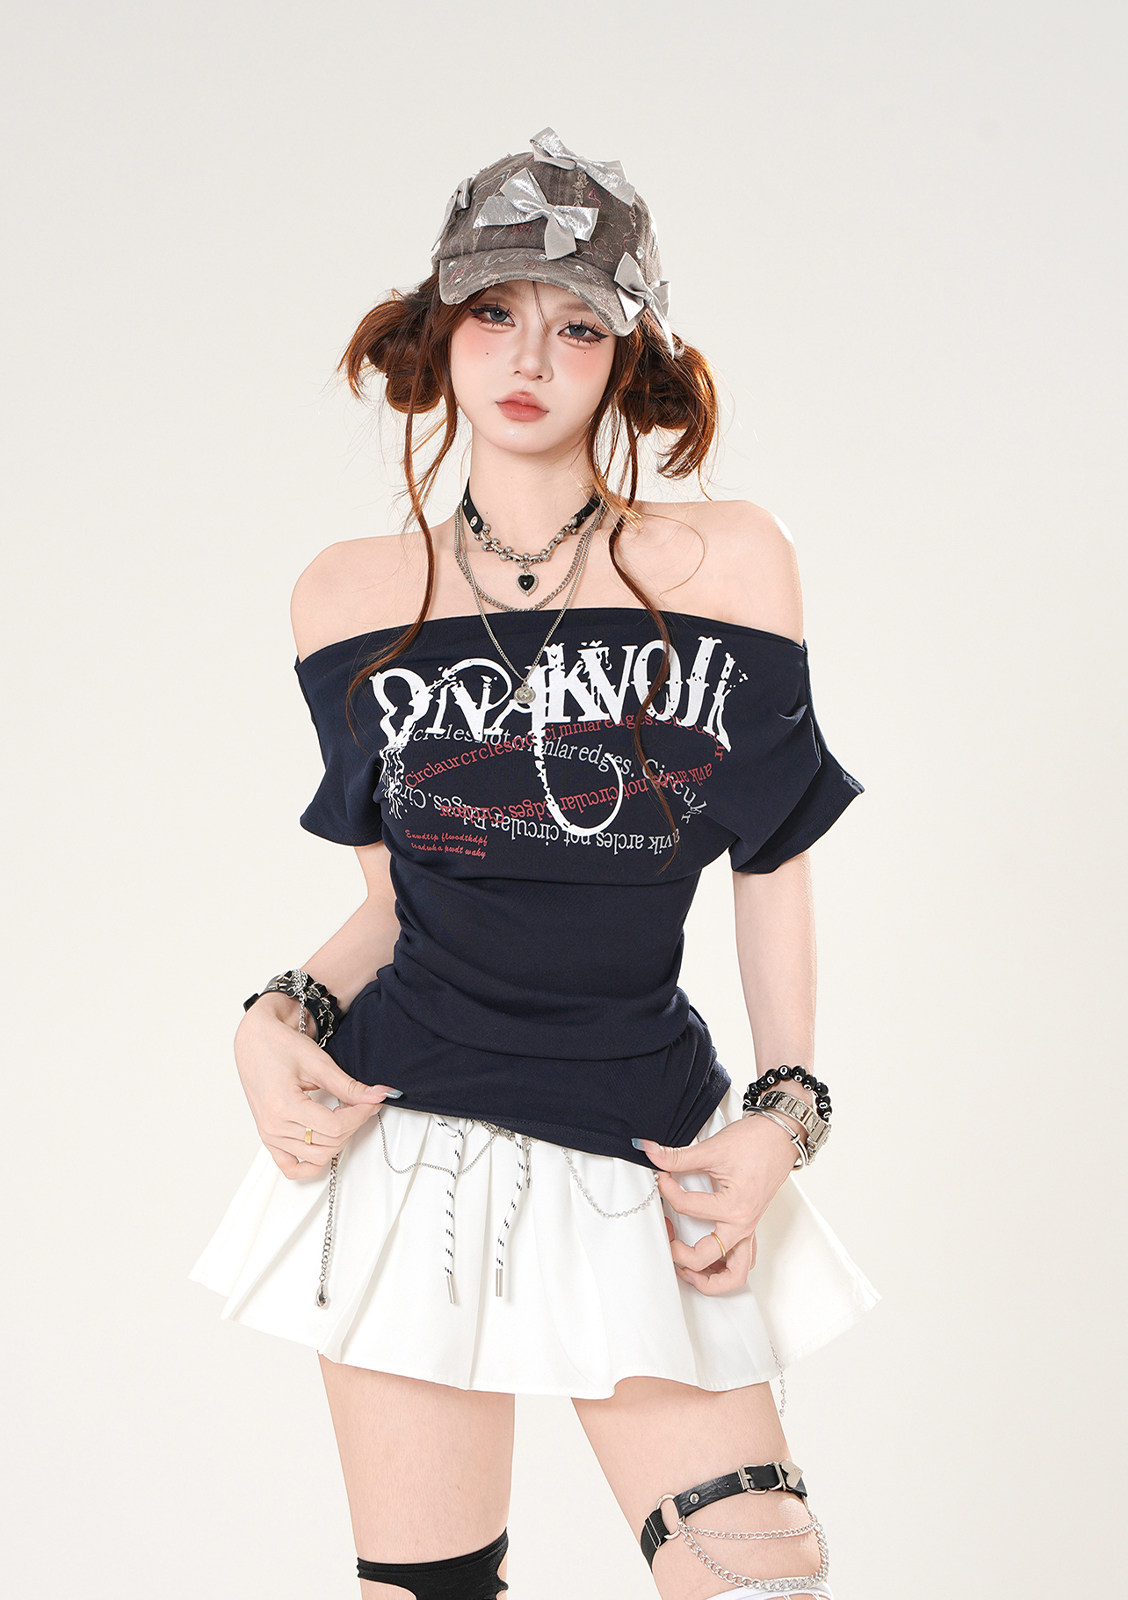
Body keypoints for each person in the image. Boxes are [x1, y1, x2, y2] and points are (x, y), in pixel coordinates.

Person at [190, 128, 879, 1600]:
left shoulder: (725, 563)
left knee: (761, 1578)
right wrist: (274, 1017)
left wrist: (786, 1107)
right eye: (495, 311)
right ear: (438, 333)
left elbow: (773, 859)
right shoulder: (348, 598)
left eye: (577, 326)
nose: (527, 356)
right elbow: (398, 911)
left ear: (628, 359)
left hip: (647, 1137)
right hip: (407, 1146)